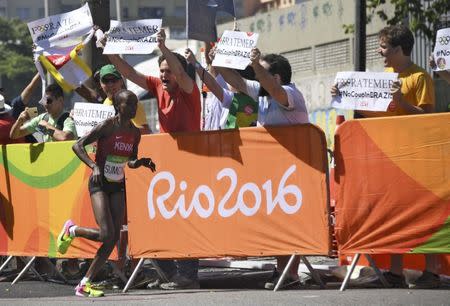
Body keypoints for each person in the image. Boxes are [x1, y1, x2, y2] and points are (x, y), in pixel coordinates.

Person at [332, 25, 438, 289]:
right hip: (392, 158)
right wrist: (348, 98)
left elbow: (429, 119)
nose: (380, 53)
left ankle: (433, 272)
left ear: (400, 49)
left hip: (419, 159)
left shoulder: (420, 78)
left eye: (383, 48)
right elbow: (376, 114)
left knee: (426, 214)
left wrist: (402, 103)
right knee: (396, 214)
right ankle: (395, 272)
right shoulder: (384, 77)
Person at [104, 29, 201, 290]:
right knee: (157, 220)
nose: (164, 75)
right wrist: (108, 50)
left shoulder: (190, 89)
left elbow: (182, 74)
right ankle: (171, 273)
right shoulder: (157, 86)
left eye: (168, 71)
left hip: (190, 165)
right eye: (161, 71)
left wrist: (162, 48)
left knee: (185, 219)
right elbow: (130, 73)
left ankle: (189, 276)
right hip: (165, 166)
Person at [217, 48, 309, 289]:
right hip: (273, 173)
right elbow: (236, 81)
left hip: (296, 169)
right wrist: (219, 60)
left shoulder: (290, 93)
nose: (256, 78)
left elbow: (276, 91)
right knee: (278, 221)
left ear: (276, 77)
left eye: (262, 73)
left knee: (290, 222)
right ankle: (282, 271)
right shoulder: (263, 94)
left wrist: (255, 64)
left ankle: (291, 274)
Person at [57, 89, 156, 297]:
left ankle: (84, 283)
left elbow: (129, 160)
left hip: (117, 184)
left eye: (135, 103)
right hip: (99, 183)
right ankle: (71, 230)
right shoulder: (107, 126)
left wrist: (140, 162)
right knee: (105, 233)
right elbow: (77, 146)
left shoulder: (135, 133)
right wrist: (94, 166)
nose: (133, 107)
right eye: (128, 103)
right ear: (117, 106)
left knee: (113, 237)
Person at [9, 83, 77, 142]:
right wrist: (19, 121)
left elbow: (66, 138)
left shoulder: (69, 118)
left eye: (49, 101)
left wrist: (47, 127)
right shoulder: (42, 118)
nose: (45, 104)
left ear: (60, 100)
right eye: (44, 100)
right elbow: (14, 135)